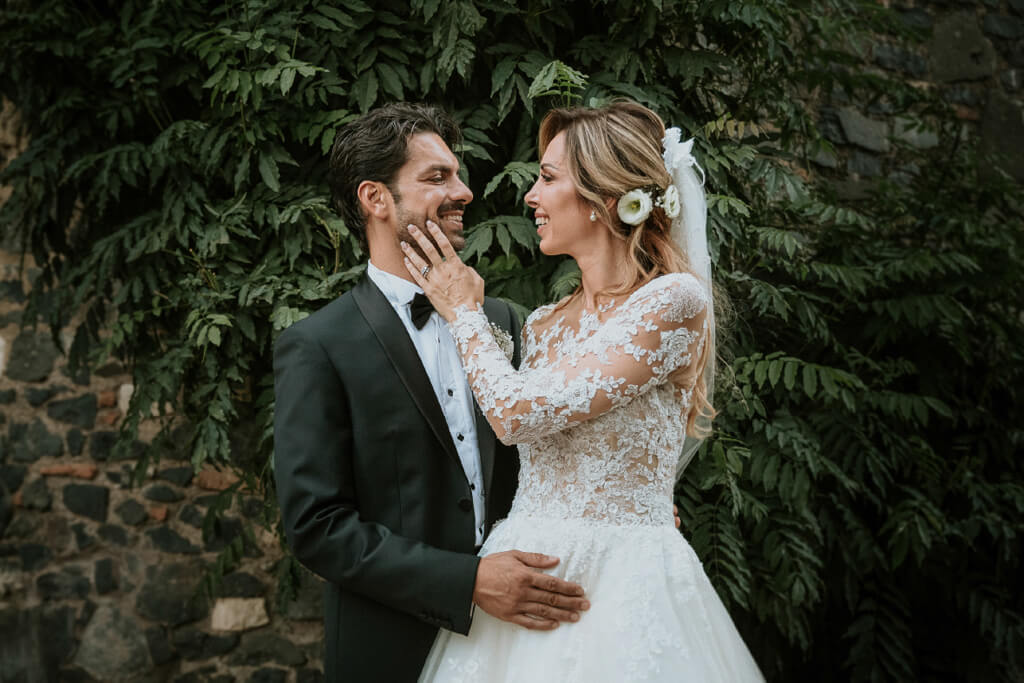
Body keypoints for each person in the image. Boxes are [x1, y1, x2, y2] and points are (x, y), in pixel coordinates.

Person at [405, 101, 765, 681]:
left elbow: (516, 416)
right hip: (523, 573)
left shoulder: (673, 303)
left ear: (603, 198)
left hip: (622, 583)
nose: (530, 196)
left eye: (547, 178)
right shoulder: (545, 322)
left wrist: (464, 313)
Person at [272, 102, 593, 683]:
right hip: (391, 646)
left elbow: (548, 458)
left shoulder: (512, 322)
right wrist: (466, 582)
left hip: (520, 644)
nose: (464, 191)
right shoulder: (317, 346)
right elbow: (317, 527)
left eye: (458, 173)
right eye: (437, 177)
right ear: (376, 199)